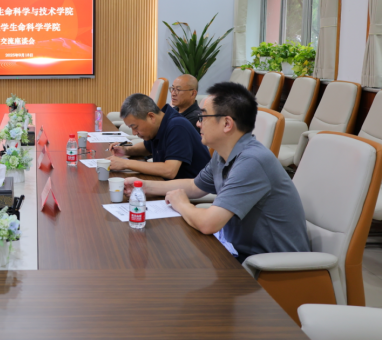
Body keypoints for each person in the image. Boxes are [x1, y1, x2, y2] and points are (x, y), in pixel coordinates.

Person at [123, 82, 310, 262]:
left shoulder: (252, 161)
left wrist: (182, 204)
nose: (198, 124)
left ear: (227, 124)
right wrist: (144, 186)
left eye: (203, 117)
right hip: (238, 250)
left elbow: (208, 224)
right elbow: (194, 186)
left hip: (271, 267)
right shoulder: (223, 155)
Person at [106, 93, 210, 179]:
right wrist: (125, 151)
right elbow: (147, 147)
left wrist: (125, 164)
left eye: (135, 127)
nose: (134, 133)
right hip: (171, 185)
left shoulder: (177, 126)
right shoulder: (160, 123)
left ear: (151, 116)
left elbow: (170, 171)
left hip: (195, 190)